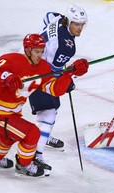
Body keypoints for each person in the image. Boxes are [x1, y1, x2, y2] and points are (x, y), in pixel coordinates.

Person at [0, 33, 88, 177]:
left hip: (10, 113)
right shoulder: (12, 60)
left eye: (42, 52)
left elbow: (54, 89)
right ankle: (24, 166)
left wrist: (70, 74)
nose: (40, 55)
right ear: (27, 50)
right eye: (36, 51)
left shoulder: (43, 67)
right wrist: (5, 77)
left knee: (7, 136)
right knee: (32, 133)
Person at [28, 4, 88, 171]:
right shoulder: (65, 47)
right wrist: (69, 76)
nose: (80, 28)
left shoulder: (58, 19)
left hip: (33, 63)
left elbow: (47, 16)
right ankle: (34, 155)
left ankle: (44, 137)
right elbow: (52, 74)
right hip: (35, 74)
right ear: (68, 22)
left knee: (54, 107)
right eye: (76, 24)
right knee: (47, 112)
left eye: (82, 24)